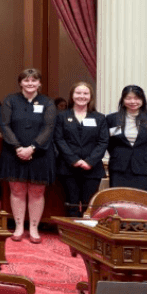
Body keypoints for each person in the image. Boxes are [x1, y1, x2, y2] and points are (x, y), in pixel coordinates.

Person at [0, 68, 57, 243]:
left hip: (40, 154)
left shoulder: (47, 102)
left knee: (37, 192)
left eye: (34, 80)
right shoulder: (10, 100)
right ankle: (18, 227)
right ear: (20, 83)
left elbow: (49, 127)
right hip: (13, 152)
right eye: (26, 80)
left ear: (39, 83)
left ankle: (33, 228)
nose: (30, 83)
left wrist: (32, 148)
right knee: (16, 190)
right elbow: (5, 125)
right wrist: (18, 148)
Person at [54, 81, 109, 218]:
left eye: (85, 93)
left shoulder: (99, 118)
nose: (81, 96)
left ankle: (86, 234)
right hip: (68, 168)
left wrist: (89, 161)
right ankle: (71, 233)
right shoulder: (62, 116)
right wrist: (74, 160)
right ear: (72, 95)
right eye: (78, 93)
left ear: (90, 97)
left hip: (92, 168)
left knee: (88, 204)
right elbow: (59, 139)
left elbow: (103, 142)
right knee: (71, 203)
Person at [104, 85, 147, 192]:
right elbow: (110, 143)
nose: (133, 101)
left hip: (145, 168)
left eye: (137, 98)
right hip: (119, 168)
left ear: (143, 100)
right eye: (128, 98)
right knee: (120, 200)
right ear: (123, 100)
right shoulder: (112, 119)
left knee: (144, 201)